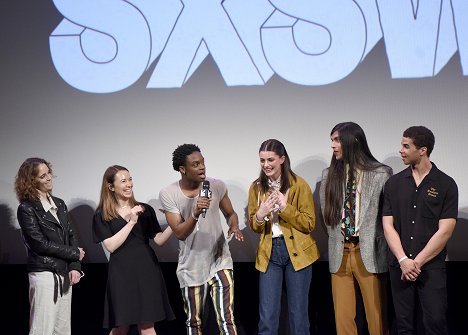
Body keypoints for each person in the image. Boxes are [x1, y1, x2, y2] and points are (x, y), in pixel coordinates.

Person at [159, 144, 243, 335]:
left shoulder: (216, 185)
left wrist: (234, 224)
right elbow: (180, 233)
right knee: (194, 322)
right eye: (195, 164)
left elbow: (231, 213)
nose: (202, 167)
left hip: (220, 260)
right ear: (183, 169)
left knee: (227, 319)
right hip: (191, 266)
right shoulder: (169, 193)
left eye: (203, 162)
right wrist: (195, 212)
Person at [383, 126, 458, 335]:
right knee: (403, 325)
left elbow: (445, 231)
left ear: (422, 150)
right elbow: (388, 225)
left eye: (406, 146)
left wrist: (416, 263)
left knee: (435, 322)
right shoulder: (394, 183)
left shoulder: (446, 184)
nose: (401, 150)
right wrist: (403, 260)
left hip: (431, 267)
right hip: (399, 266)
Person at [319, 122, 392, 335]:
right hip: (340, 251)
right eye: (332, 140)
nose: (333, 146)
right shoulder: (328, 174)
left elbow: (386, 218)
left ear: (354, 141)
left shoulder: (381, 174)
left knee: (376, 318)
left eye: (337, 140)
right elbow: (327, 217)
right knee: (342, 319)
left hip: (368, 251)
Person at [248, 139, 319, 335]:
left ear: (282, 159)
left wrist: (285, 208)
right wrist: (261, 214)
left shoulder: (299, 185)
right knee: (267, 316)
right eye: (262, 160)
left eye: (270, 159)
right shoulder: (256, 187)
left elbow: (309, 224)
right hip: (269, 253)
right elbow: (254, 225)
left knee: (298, 316)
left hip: (298, 253)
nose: (266, 165)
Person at [92, 165, 174, 335]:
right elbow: (111, 246)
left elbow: (158, 240)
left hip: (146, 269)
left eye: (130, 179)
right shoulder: (102, 215)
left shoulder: (145, 209)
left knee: (147, 325)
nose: (129, 184)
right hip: (121, 273)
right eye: (123, 181)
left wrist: (176, 222)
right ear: (111, 186)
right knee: (121, 325)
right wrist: (131, 222)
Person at [15, 157, 85, 335]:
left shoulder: (59, 203)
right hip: (44, 274)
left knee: (62, 330)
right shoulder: (27, 208)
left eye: (49, 173)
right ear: (32, 181)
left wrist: (75, 266)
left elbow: (71, 235)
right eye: (42, 176)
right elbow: (39, 244)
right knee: (42, 330)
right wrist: (74, 253)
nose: (48, 178)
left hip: (64, 273)